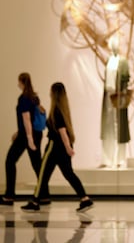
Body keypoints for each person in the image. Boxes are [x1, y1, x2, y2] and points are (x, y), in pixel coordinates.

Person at [21, 82, 93, 213]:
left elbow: (62, 131)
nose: (49, 93)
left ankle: (35, 202)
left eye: (50, 91)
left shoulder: (56, 111)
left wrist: (67, 147)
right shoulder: (63, 110)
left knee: (43, 174)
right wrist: (68, 146)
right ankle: (85, 199)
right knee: (68, 173)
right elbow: (64, 131)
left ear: (54, 94)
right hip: (62, 147)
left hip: (54, 147)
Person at [0, 72, 50, 206]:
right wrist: (19, 131)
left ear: (22, 82)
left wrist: (28, 138)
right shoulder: (34, 97)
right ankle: (44, 196)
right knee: (37, 164)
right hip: (34, 134)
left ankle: (9, 196)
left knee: (10, 160)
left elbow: (27, 119)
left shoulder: (23, 98)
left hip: (28, 136)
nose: (18, 84)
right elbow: (32, 119)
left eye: (19, 82)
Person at [100, 35, 131, 168]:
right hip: (108, 94)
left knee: (119, 125)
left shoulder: (123, 61)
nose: (114, 47)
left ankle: (120, 158)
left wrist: (121, 91)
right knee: (108, 125)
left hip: (118, 96)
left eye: (116, 44)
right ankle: (108, 158)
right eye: (112, 45)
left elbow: (126, 77)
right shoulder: (109, 60)